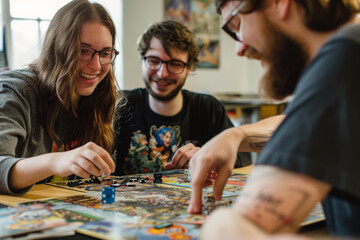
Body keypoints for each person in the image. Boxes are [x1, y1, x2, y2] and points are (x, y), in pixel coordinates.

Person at [187, 0, 360, 238]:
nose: (239, 48)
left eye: (236, 24)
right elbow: (308, 123)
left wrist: (220, 222)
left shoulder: (343, 59)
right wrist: (236, 134)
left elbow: (245, 229)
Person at [0, 0, 120, 195]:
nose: (97, 66)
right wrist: (56, 161)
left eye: (105, 53)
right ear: (58, 49)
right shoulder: (14, 91)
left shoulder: (100, 95)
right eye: (83, 51)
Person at [113, 20, 251, 175]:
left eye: (175, 64)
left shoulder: (207, 108)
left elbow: (243, 157)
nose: (162, 73)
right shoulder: (120, 104)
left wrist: (209, 156)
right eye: (153, 61)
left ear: (189, 67)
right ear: (142, 60)